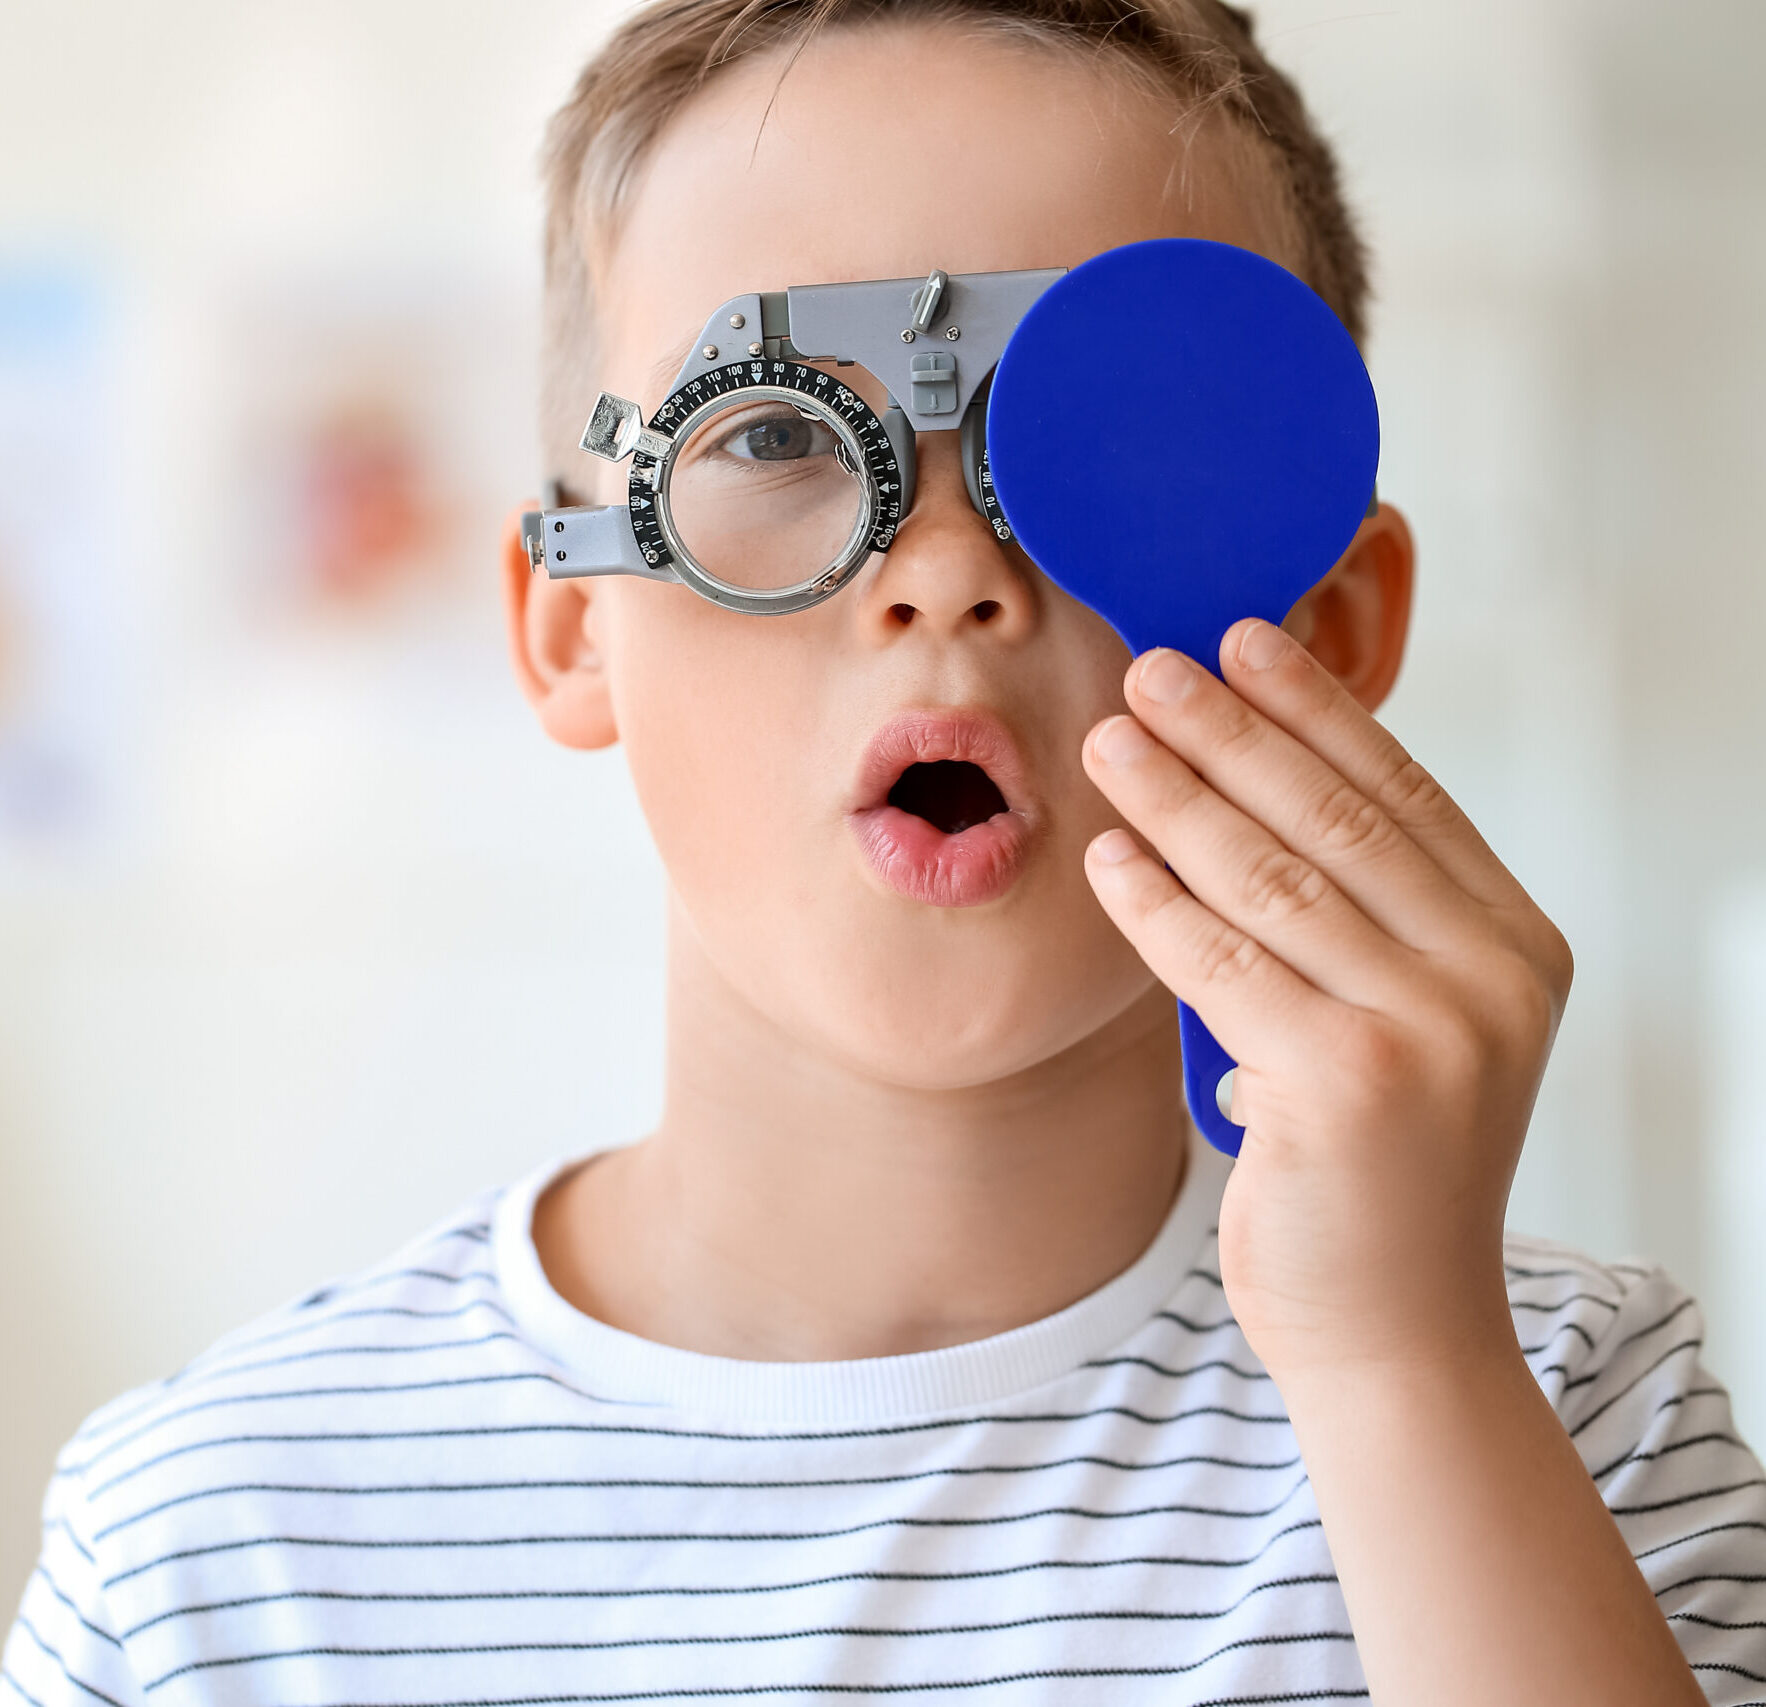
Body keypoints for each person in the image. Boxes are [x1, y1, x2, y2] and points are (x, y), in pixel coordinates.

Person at [7, 3, 1763, 1703]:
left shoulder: (1554, 1407)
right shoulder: (213, 1551)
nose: (936, 573)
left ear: (1334, 615)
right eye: (774, 433)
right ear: (569, 627)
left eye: (1101, 436)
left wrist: (1402, 1359)